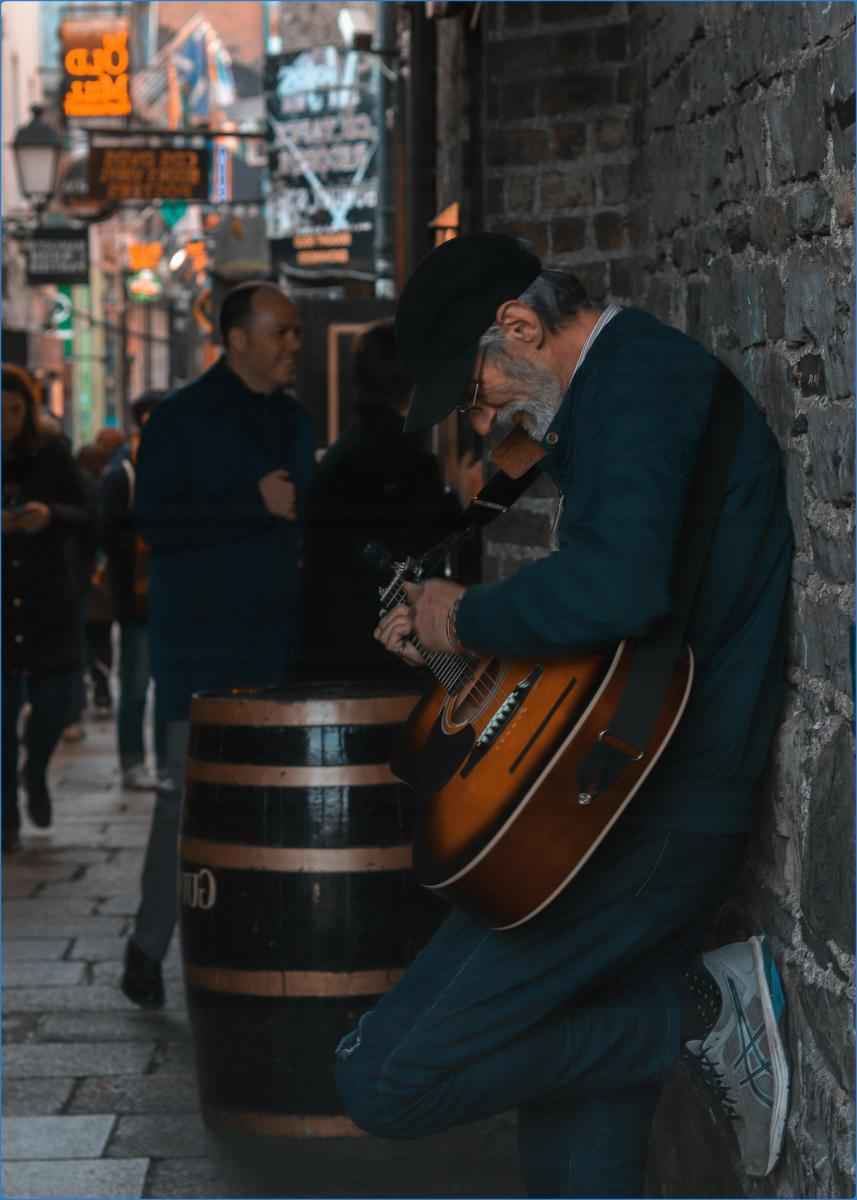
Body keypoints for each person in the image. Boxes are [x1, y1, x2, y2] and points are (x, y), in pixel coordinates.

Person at [334, 234, 793, 1196]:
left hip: (640, 822)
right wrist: (456, 657)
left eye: (474, 388)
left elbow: (616, 587)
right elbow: (612, 645)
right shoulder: (614, 397)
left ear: (519, 328)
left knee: (385, 1078)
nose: (479, 416)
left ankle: (698, 1015)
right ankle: (675, 1020)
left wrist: (462, 610)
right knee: (578, 1157)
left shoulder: (640, 388)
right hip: (617, 794)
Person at [120, 281, 315, 1009]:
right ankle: (147, 947)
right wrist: (250, 505)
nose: (295, 343)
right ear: (238, 338)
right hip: (198, 645)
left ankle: (248, 946)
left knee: (268, 804)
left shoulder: (295, 419)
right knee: (183, 798)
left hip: (273, 642)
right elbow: (155, 521)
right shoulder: (179, 416)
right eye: (283, 332)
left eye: (296, 332)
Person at [300, 318, 452, 682]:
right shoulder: (402, 460)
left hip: (332, 650)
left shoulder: (347, 451)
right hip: (383, 655)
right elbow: (425, 551)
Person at [2, 365, 94, 851]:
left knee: (55, 704)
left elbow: (88, 510)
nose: (6, 422)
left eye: (14, 411)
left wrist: (48, 515)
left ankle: (34, 769)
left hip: (46, 600)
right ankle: (5, 817)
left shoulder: (51, 454)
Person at [100, 391, 166, 789]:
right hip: (136, 601)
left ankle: (165, 762)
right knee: (136, 685)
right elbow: (106, 533)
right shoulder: (121, 474)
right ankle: (132, 762)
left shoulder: (173, 469)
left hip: (169, 598)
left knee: (168, 687)